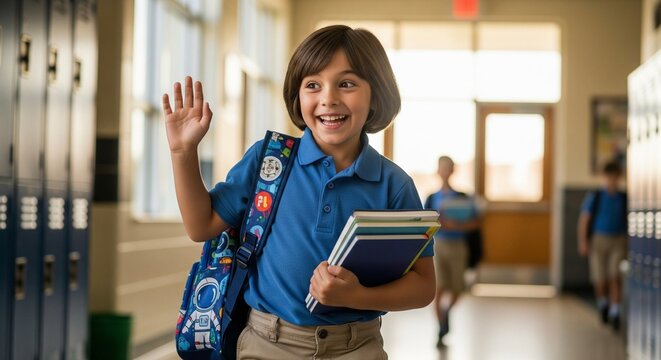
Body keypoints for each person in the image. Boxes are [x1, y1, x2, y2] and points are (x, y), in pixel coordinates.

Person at [162, 25, 435, 359]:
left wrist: (357, 296)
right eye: (313, 85)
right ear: (298, 96)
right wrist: (182, 153)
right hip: (266, 342)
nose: (328, 98)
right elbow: (200, 225)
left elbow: (423, 286)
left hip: (356, 347)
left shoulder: (394, 185)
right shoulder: (268, 160)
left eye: (346, 83)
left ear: (376, 94)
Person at [424, 156, 481, 348]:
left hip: (459, 247)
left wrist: (458, 224)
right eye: (442, 167)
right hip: (438, 247)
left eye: (449, 167)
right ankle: (440, 329)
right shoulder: (432, 198)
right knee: (438, 288)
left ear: (453, 170)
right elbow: (424, 224)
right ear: (438, 171)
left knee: (458, 288)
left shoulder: (463, 197)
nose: (445, 171)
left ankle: (446, 312)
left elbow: (476, 223)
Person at [578, 160, 628, 330]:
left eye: (615, 177)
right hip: (599, 240)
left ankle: (615, 311)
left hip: (618, 240)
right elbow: (585, 220)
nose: (612, 181)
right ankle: (603, 303)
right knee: (600, 278)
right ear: (604, 178)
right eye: (609, 177)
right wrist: (583, 241)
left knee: (615, 276)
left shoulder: (624, 197)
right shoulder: (596, 196)